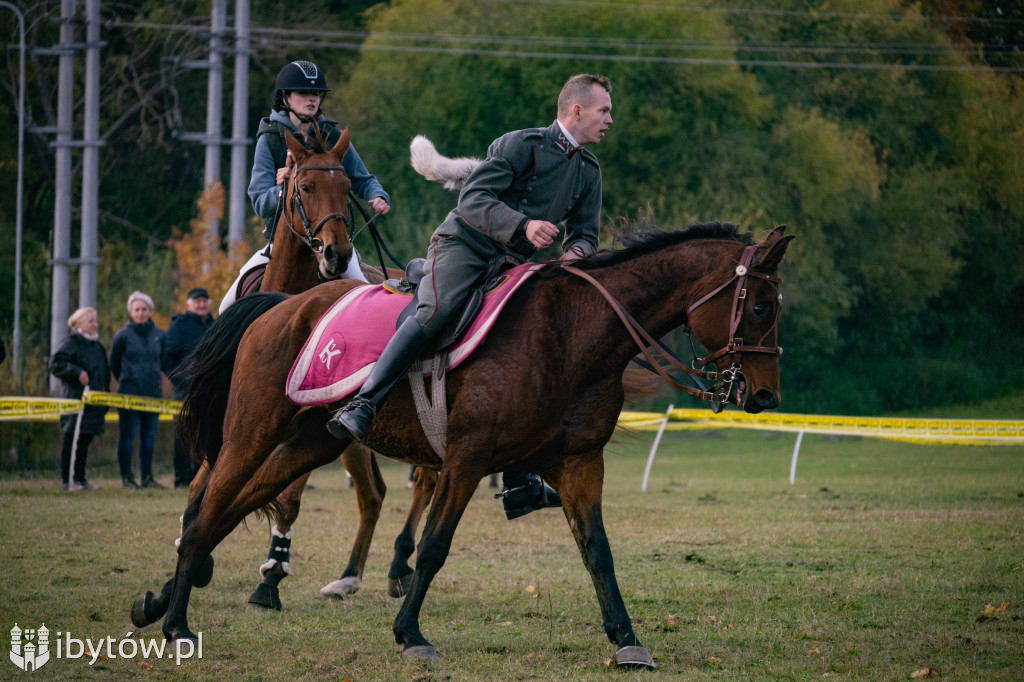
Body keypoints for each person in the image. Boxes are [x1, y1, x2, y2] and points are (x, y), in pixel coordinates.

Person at [328, 73, 614, 520]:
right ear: (576, 111)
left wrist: (575, 255)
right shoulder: (521, 144)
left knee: (532, 345)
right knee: (437, 310)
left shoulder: (589, 170)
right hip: (466, 244)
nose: (609, 120)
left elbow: (586, 236)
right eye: (604, 111)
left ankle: (522, 479)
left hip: (515, 264)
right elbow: (475, 199)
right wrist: (523, 226)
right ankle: (364, 403)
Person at [220, 59, 391, 313]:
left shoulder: (332, 135)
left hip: (330, 240)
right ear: (285, 98)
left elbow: (362, 179)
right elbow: (258, 200)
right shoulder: (270, 138)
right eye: (303, 93)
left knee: (369, 301)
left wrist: (376, 194)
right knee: (226, 307)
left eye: (316, 94)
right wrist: (283, 189)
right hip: (280, 244)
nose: (312, 99)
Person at [49, 307, 110, 491]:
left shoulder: (98, 346)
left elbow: (105, 373)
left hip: (94, 406)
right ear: (78, 324)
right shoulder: (71, 343)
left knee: (84, 441)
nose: (95, 324)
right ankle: (69, 481)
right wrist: (76, 372)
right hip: (75, 401)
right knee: (72, 441)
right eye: (90, 321)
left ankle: (81, 479)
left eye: (96, 320)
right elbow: (56, 363)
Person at [110, 290, 166, 489]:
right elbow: (114, 364)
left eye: (144, 309)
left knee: (148, 439)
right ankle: (127, 478)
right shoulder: (122, 335)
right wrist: (128, 380)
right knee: (127, 437)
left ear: (150, 311)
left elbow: (166, 363)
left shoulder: (160, 335)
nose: (141, 313)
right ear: (131, 312)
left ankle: (147, 478)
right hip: (128, 395)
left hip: (153, 395)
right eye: (137, 309)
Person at [162, 287, 214, 488]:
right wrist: (183, 380)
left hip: (208, 392)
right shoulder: (178, 326)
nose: (201, 304)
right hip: (184, 391)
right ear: (188, 304)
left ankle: (199, 477)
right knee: (184, 436)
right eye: (197, 301)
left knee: (205, 435)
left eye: (204, 300)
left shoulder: (213, 324)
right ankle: (182, 478)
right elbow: (167, 359)